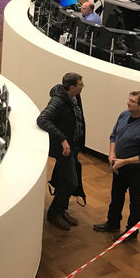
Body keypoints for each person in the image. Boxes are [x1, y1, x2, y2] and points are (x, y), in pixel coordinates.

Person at [93, 91, 140, 241]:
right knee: (116, 196)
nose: (128, 103)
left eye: (133, 101)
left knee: (136, 202)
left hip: (139, 172)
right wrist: (111, 153)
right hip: (120, 167)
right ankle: (113, 223)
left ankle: (131, 233)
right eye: (129, 99)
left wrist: (124, 161)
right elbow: (113, 135)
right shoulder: (123, 115)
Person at [36, 72, 86, 230]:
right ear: (72, 87)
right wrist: (63, 139)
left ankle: (61, 210)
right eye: (80, 84)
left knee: (65, 180)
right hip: (65, 149)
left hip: (74, 145)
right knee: (71, 182)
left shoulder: (74, 96)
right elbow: (42, 119)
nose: (82, 86)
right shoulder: (58, 101)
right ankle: (53, 213)